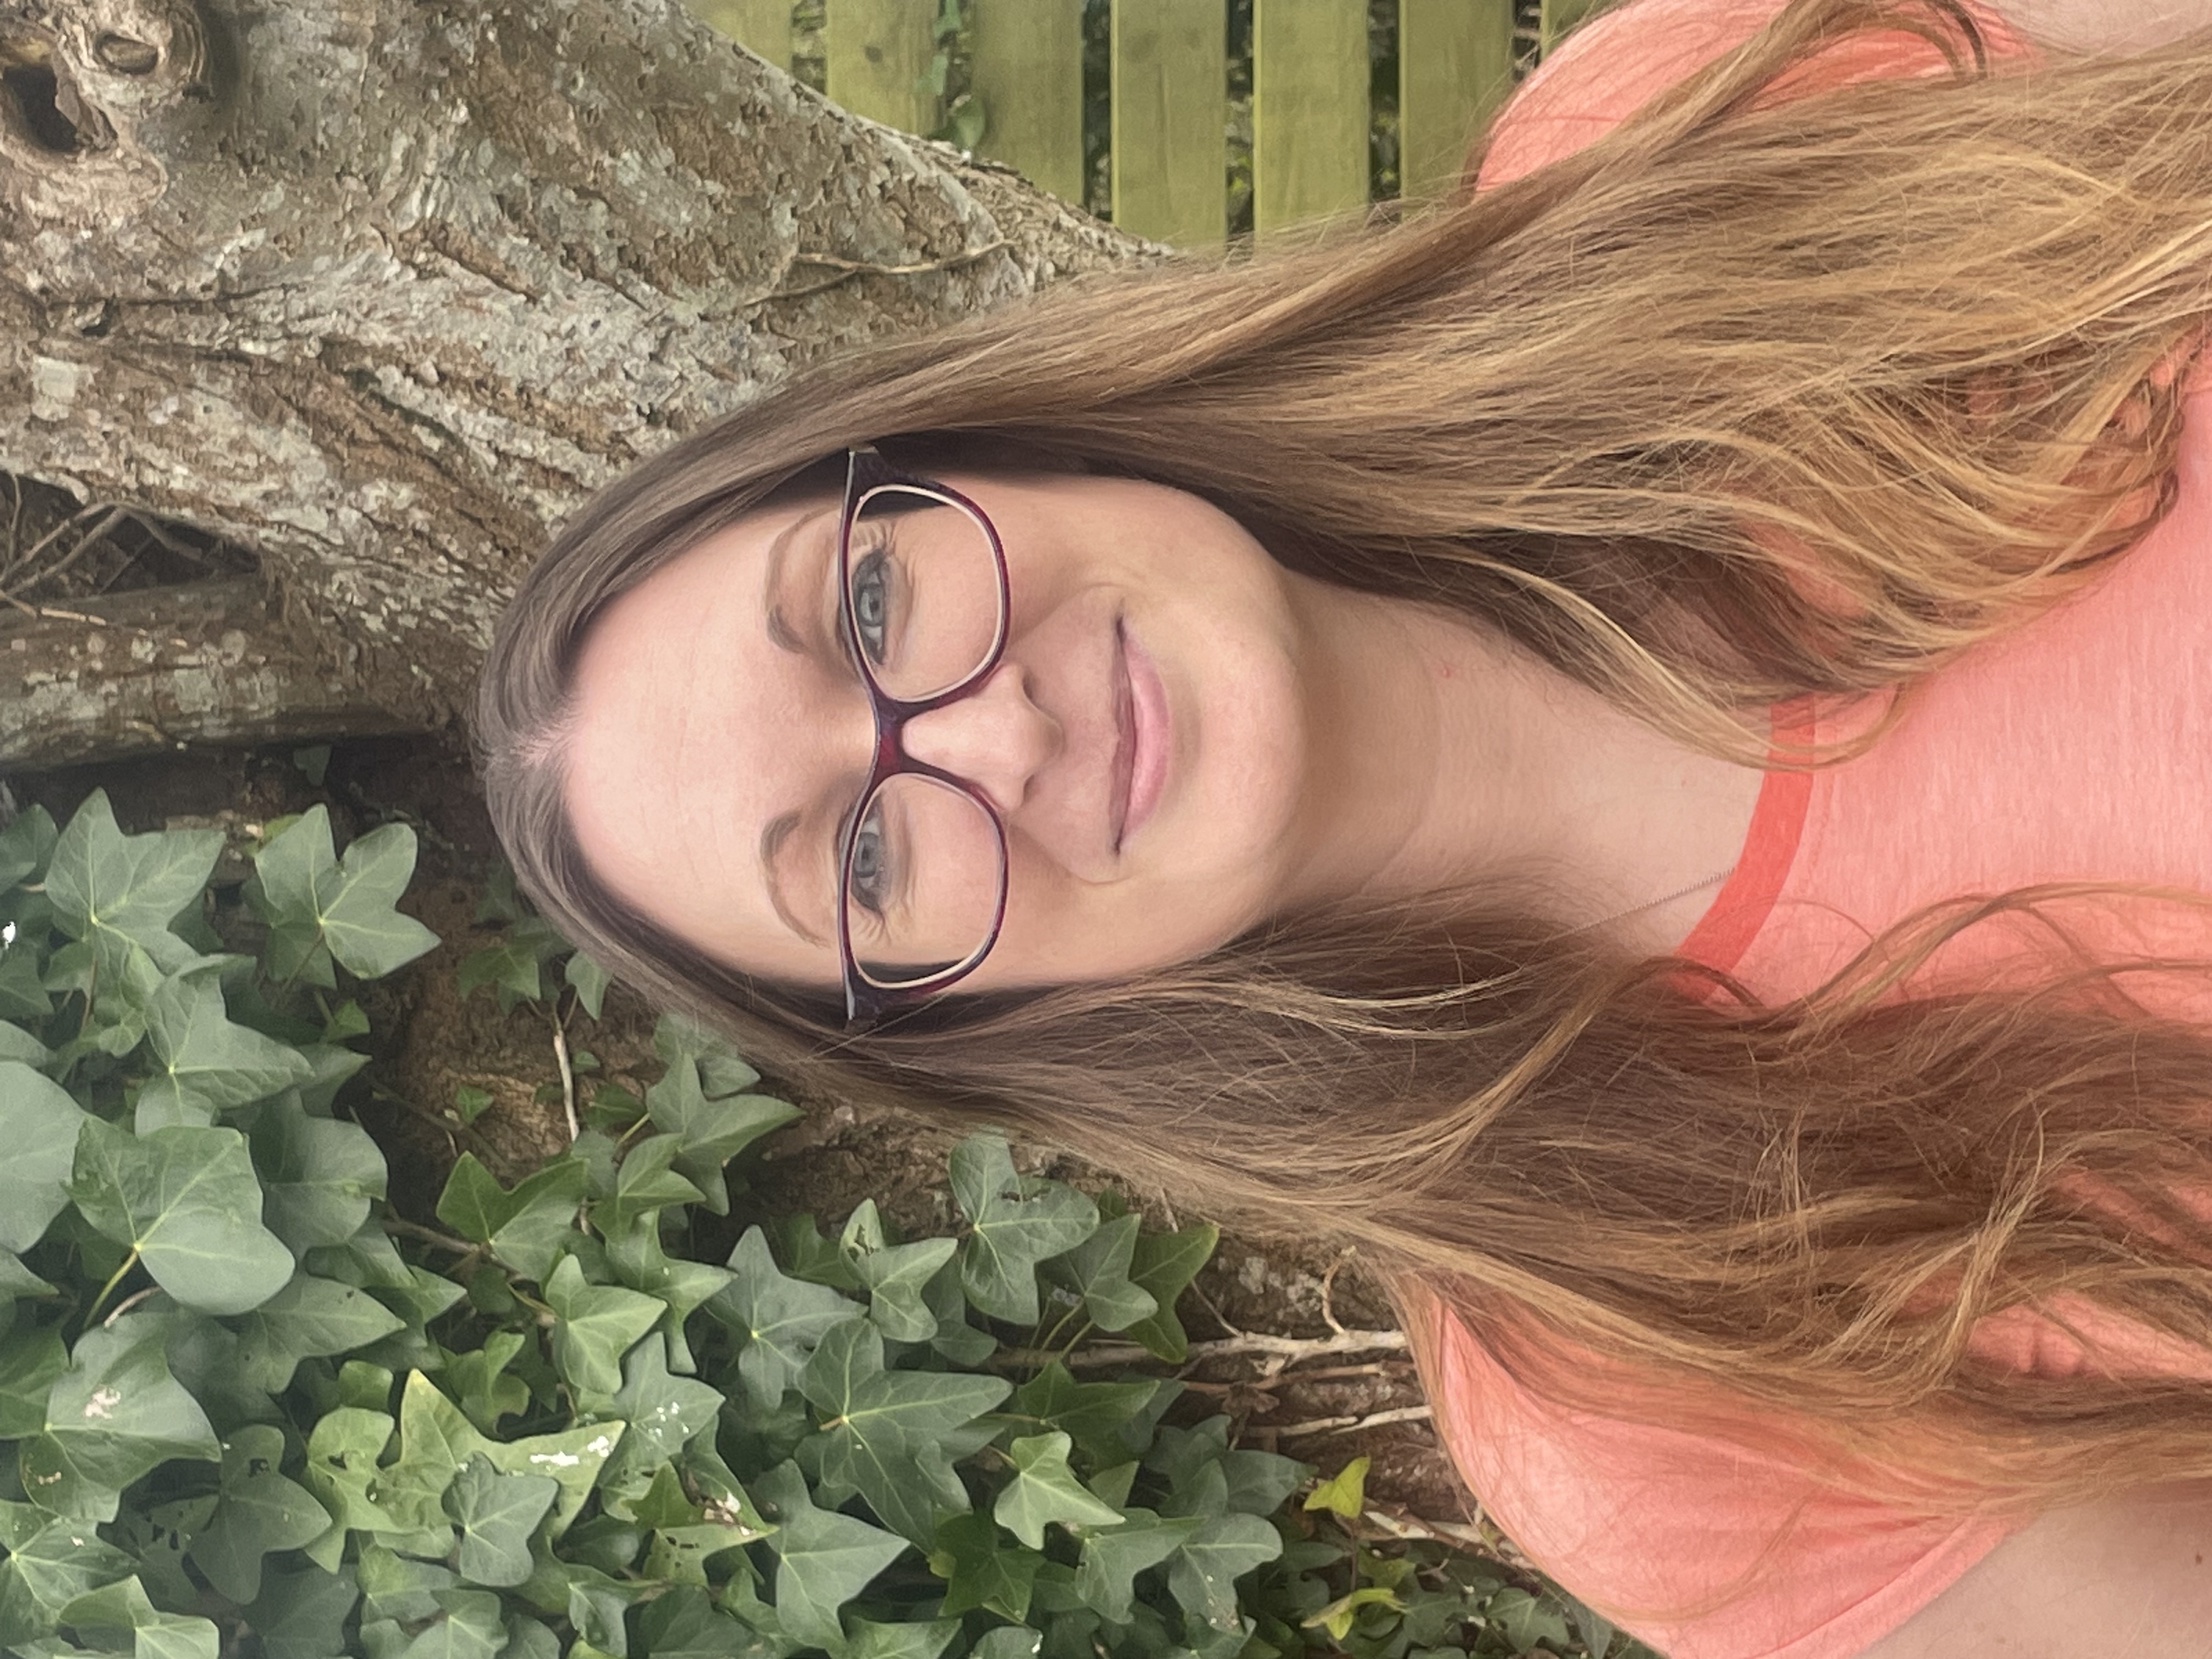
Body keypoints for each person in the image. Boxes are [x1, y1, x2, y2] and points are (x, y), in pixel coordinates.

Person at [476, 0, 2212, 1651]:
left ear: (965, 451)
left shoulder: (1669, 164)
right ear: (963, 1014)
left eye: (869, 604)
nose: (995, 731)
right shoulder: (1654, 1397)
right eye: (864, 859)